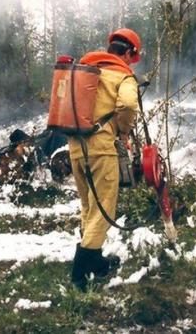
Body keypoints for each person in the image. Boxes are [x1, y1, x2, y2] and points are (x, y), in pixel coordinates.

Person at [68, 28, 141, 290]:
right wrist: (122, 130)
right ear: (130, 52)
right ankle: (79, 274)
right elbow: (129, 106)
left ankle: (97, 263)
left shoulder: (85, 68)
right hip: (101, 147)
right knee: (105, 208)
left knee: (89, 206)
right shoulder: (123, 74)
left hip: (76, 147)